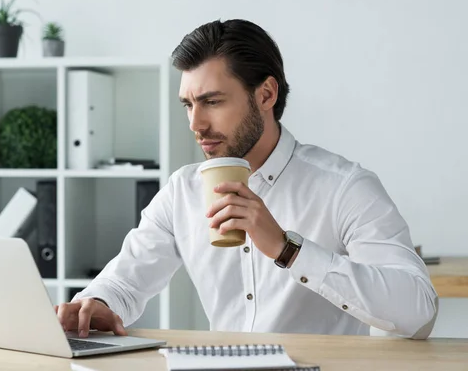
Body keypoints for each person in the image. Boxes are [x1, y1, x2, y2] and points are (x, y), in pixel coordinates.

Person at [57, 19, 438, 340]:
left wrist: (287, 249)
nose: (195, 124)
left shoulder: (344, 187)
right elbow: (125, 282)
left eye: (212, 101)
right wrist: (98, 305)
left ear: (266, 95)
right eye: (188, 104)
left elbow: (418, 313)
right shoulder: (182, 192)